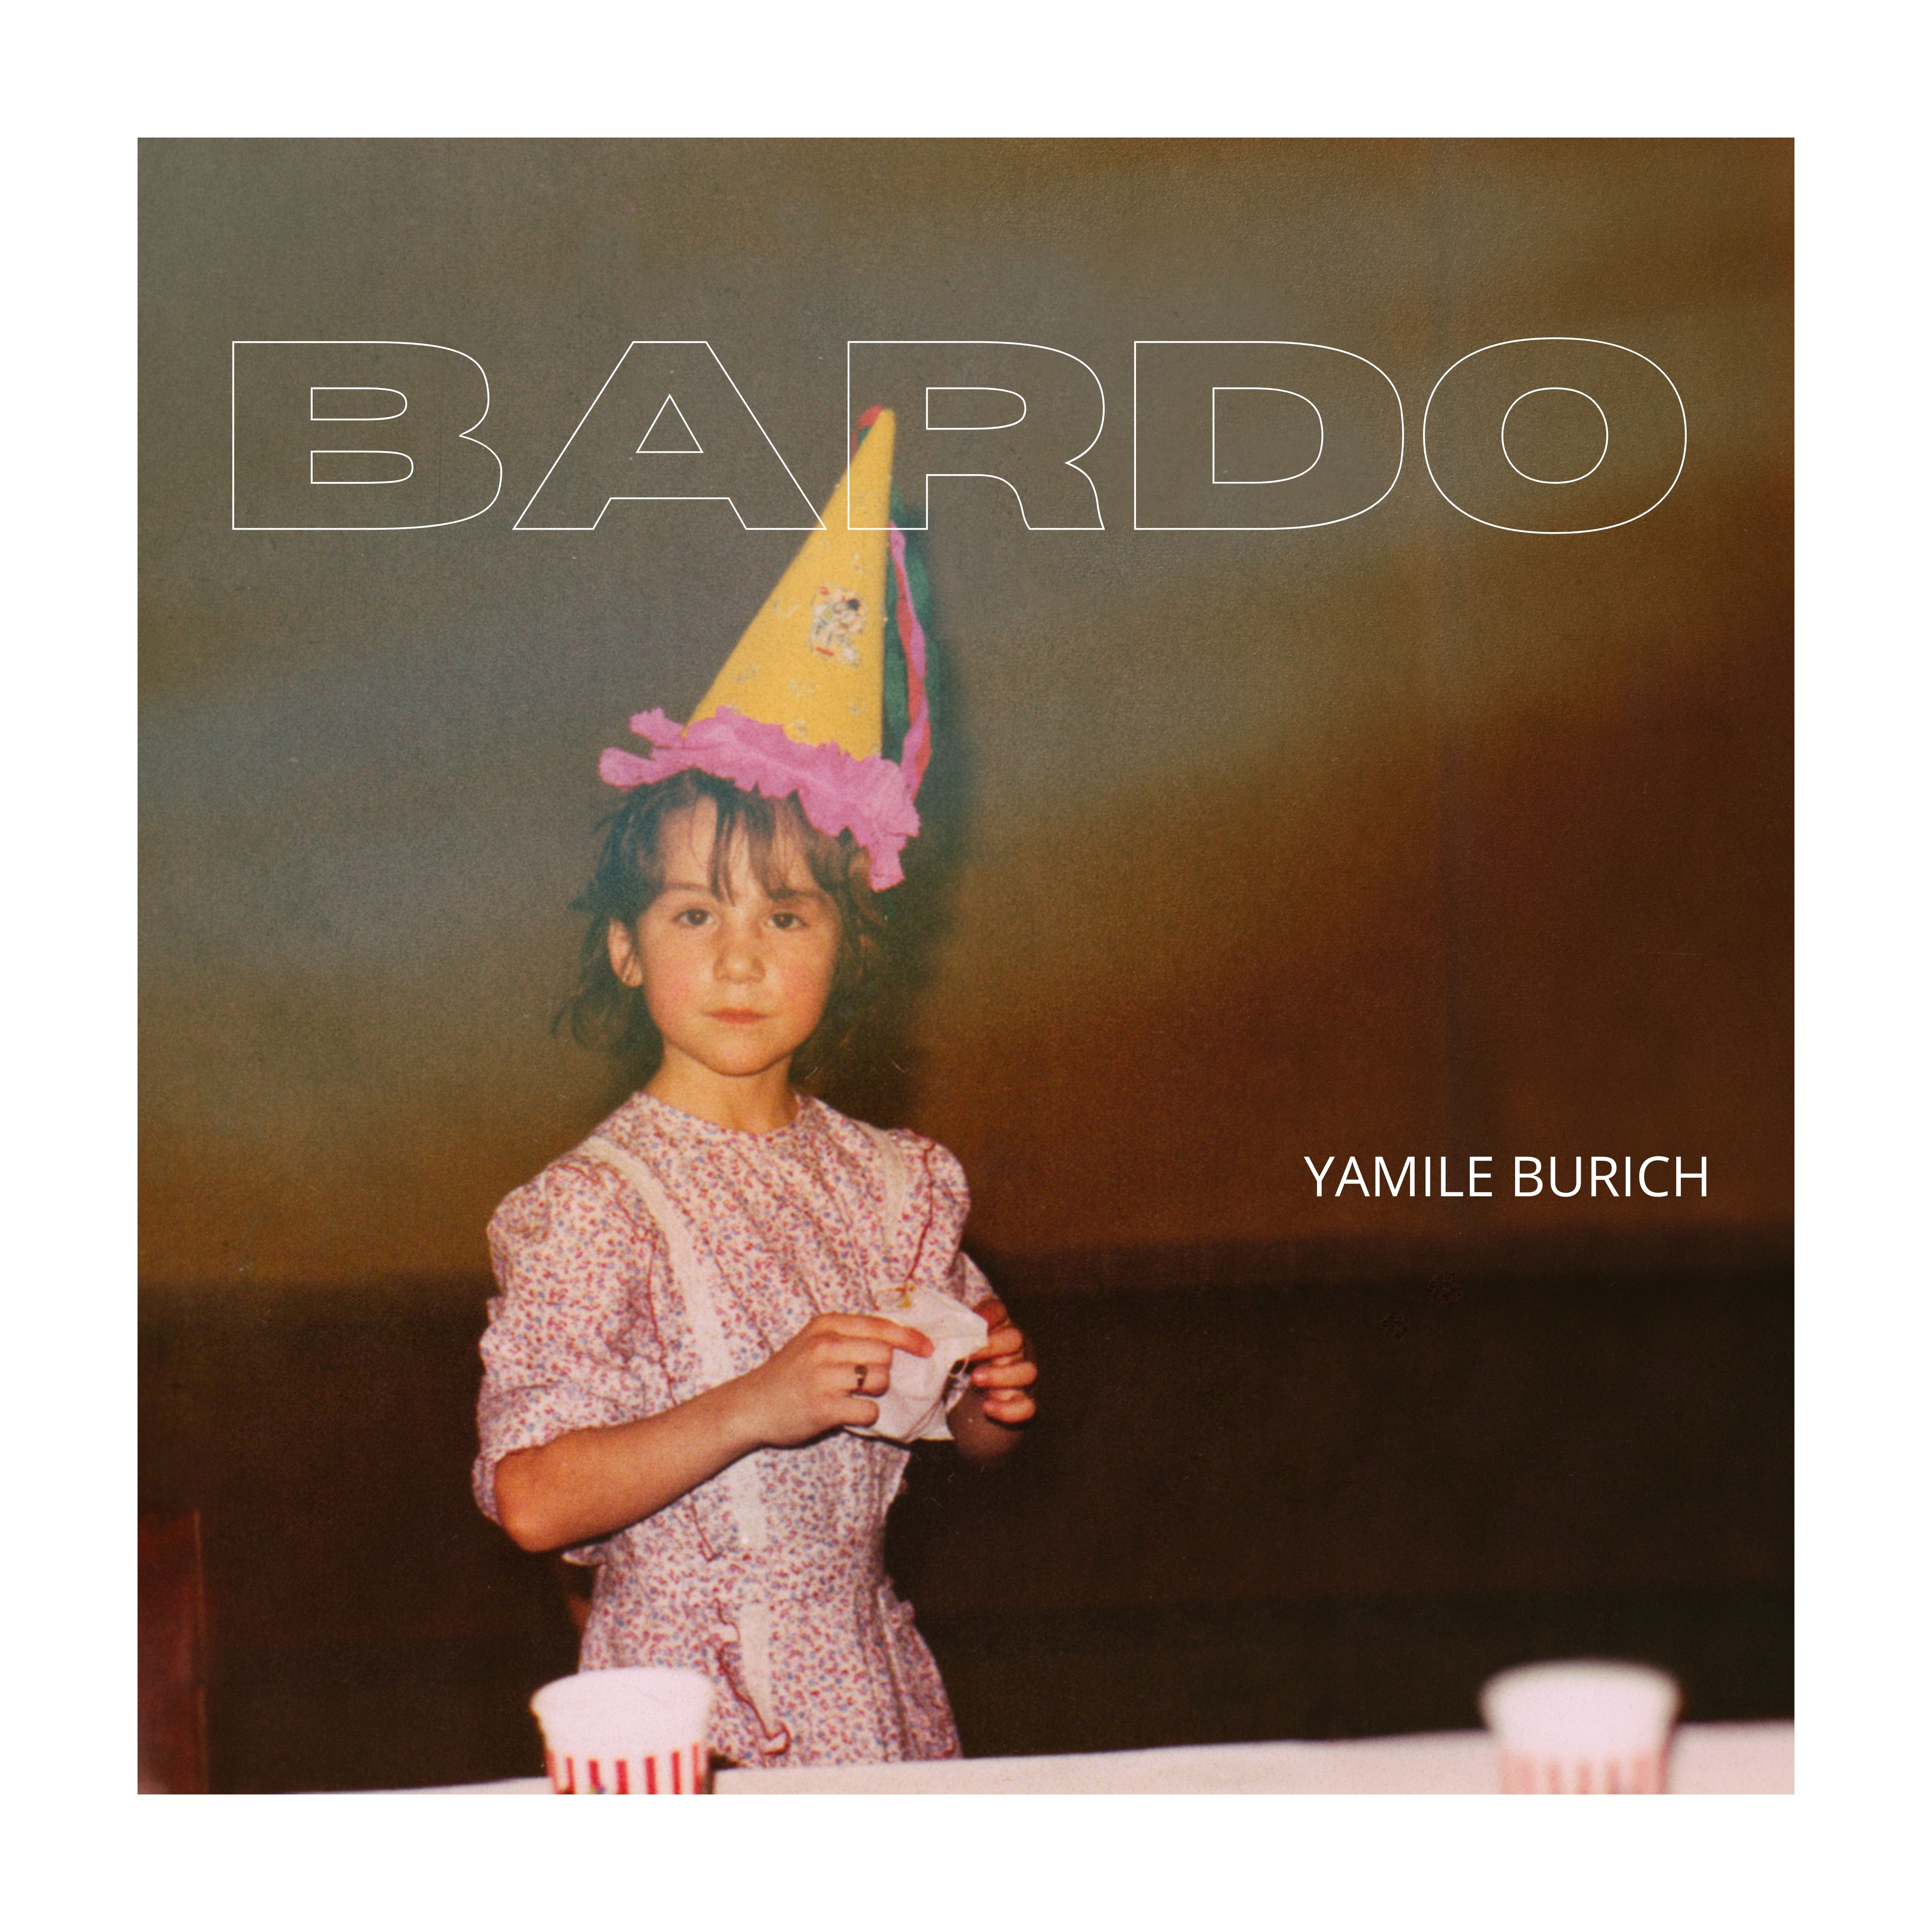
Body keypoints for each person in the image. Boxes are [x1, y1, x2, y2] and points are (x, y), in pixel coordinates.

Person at [472, 410, 1036, 1767]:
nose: (740, 958)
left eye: (786, 917)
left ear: (848, 949)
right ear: (626, 949)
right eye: (693, 916)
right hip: (689, 1719)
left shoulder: (898, 1182)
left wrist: (983, 1402)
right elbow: (534, 1500)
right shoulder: (593, 1208)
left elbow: (950, 1437)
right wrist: (754, 1405)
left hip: (878, 1701)